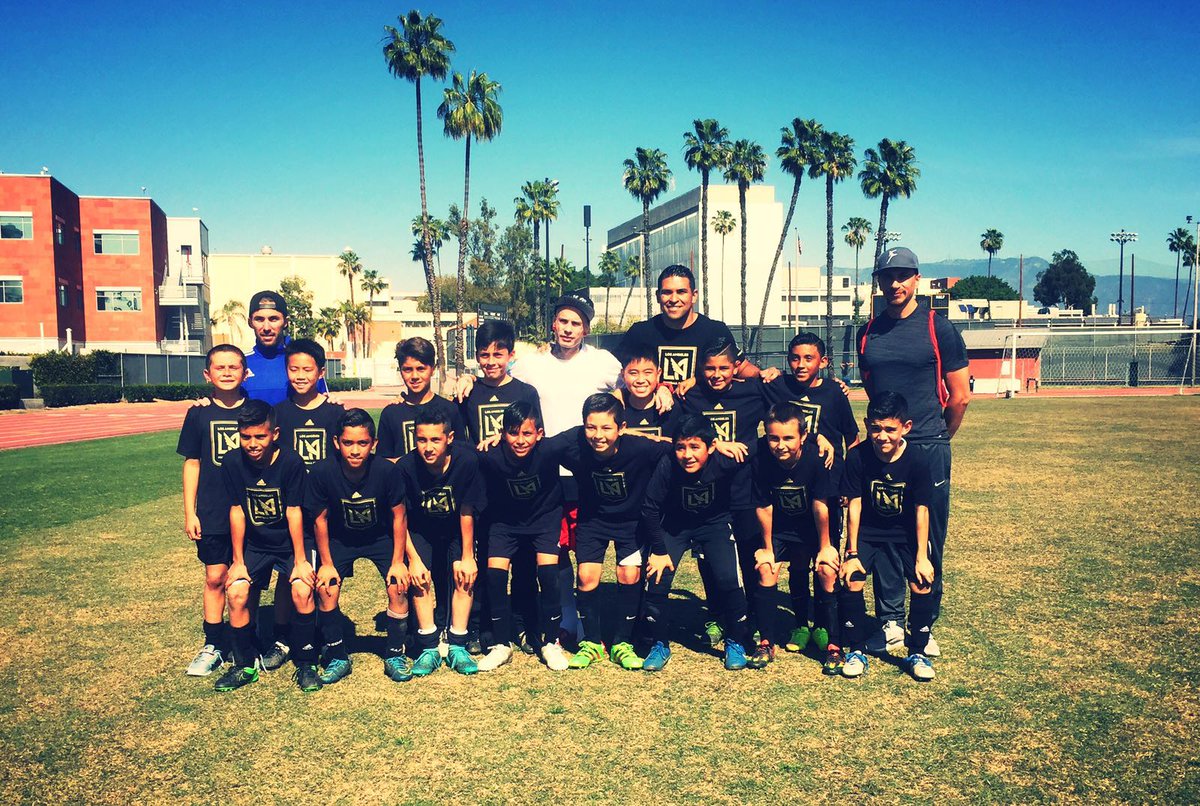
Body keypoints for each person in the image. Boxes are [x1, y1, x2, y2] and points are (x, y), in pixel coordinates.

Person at [457, 292, 622, 645]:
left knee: (588, 547)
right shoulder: (531, 364)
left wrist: (664, 391)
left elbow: (630, 388)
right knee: (556, 550)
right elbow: (495, 372)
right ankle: (564, 620)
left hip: (588, 470)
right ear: (553, 323)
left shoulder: (604, 361)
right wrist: (468, 378)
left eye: (576, 323)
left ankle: (596, 617)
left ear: (586, 329)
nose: (568, 329)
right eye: (563, 321)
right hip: (545, 474)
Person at [857, 246, 969, 655]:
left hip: (926, 446)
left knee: (927, 537)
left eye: (904, 275)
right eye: (888, 276)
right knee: (885, 537)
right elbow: (873, 391)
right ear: (880, 282)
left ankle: (923, 624)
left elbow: (960, 397)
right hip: (882, 447)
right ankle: (889, 623)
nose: (896, 283)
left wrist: (937, 438)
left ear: (917, 279)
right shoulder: (867, 332)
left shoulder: (938, 328)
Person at [556, 394, 671, 671]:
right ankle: (592, 644)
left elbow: (676, 449)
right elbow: (537, 445)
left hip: (631, 523)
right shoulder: (574, 446)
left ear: (621, 428)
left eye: (606, 428)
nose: (598, 435)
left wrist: (717, 445)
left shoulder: (640, 449)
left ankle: (622, 643)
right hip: (592, 521)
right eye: (591, 427)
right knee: (586, 577)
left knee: (629, 574)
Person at [762, 332, 859, 652]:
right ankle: (800, 624)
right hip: (791, 488)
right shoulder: (780, 386)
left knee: (824, 556)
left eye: (809, 358)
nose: (801, 365)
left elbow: (851, 438)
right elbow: (742, 373)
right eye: (795, 358)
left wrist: (848, 483)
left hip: (827, 488)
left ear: (823, 362)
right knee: (798, 562)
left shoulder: (834, 392)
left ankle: (824, 624)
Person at [214, 400, 316, 692]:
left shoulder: (292, 462)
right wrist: (238, 561)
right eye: (246, 436)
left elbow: (294, 511)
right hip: (257, 544)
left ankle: (306, 663)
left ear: (275, 434)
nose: (253, 443)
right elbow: (236, 510)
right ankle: (244, 665)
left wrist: (299, 560)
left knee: (301, 588)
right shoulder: (232, 463)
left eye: (260, 436)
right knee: (236, 591)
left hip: (291, 542)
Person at [307, 409, 413, 685]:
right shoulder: (322, 471)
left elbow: (399, 516)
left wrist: (399, 560)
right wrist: (327, 563)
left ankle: (394, 653)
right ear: (336, 442)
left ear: (374, 444)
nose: (355, 450)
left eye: (362, 443)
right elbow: (320, 520)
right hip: (340, 540)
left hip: (379, 538)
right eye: (348, 443)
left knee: (398, 584)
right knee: (326, 587)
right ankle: (338, 655)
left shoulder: (387, 471)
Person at [838, 391, 937, 681]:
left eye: (890, 429)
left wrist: (922, 557)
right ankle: (856, 650)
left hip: (905, 533)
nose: (882, 436)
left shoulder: (918, 459)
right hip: (869, 531)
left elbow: (922, 509)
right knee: (852, 579)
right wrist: (852, 553)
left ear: (906, 427)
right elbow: (854, 505)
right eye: (876, 428)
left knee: (921, 582)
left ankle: (917, 652)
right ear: (867, 424)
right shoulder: (857, 456)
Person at [640, 416, 751, 672]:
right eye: (681, 447)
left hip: (714, 525)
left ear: (711, 447)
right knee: (657, 580)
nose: (687, 455)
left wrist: (815, 437)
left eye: (694, 447)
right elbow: (650, 508)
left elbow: (766, 444)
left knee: (728, 580)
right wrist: (658, 550)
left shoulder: (725, 460)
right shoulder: (668, 464)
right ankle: (659, 643)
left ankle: (734, 640)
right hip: (675, 526)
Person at [676, 335, 767, 647]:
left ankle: (752, 616)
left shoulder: (754, 392)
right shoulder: (692, 396)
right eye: (710, 368)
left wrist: (748, 448)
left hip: (744, 491)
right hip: (708, 493)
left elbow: (783, 421)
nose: (717, 374)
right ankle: (715, 614)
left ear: (736, 367)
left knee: (748, 554)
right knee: (711, 559)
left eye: (724, 368)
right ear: (701, 369)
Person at [459, 319, 540, 655]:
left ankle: (521, 624)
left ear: (511, 353)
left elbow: (537, 437)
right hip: (483, 492)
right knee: (485, 563)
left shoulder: (525, 392)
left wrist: (504, 444)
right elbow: (460, 441)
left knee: (523, 564)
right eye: (483, 355)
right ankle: (483, 626)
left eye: (498, 354)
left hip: (519, 492)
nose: (490, 361)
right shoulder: (468, 392)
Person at [474, 401, 571, 672]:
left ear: (539, 433)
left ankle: (551, 642)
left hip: (544, 520)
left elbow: (583, 433)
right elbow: (458, 451)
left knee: (548, 573)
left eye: (527, 434)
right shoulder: (491, 455)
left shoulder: (550, 449)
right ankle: (501, 644)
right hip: (505, 522)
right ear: (503, 433)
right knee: (494, 575)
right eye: (513, 433)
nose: (520, 440)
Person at [751, 403, 842, 673]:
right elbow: (763, 506)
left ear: (803, 436)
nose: (780, 445)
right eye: (774, 438)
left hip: (814, 526)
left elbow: (820, 505)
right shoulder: (760, 458)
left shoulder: (816, 458)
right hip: (782, 525)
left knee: (825, 570)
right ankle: (772, 639)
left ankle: (832, 643)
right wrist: (767, 548)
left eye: (788, 438)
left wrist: (826, 546)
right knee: (767, 569)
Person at [393, 408, 483, 676]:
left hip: (455, 527)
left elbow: (467, 509)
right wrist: (413, 559)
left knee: (464, 575)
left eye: (435, 440)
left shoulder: (466, 461)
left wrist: (468, 555)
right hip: (420, 529)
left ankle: (458, 644)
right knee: (419, 577)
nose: (428, 447)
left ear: (450, 438)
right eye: (422, 440)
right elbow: (401, 517)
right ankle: (429, 646)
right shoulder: (406, 467)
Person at [177, 344, 248, 676]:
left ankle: (246, 640)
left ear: (245, 372)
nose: (227, 372)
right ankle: (214, 644)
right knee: (215, 576)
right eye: (220, 367)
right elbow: (192, 463)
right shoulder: (199, 413)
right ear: (208, 374)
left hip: (251, 509)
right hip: (213, 510)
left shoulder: (259, 410)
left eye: (234, 366)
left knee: (248, 578)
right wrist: (190, 512)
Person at [618, 265, 760, 392]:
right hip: (656, 418)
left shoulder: (715, 330)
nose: (673, 299)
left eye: (681, 292)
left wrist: (768, 375)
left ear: (694, 295)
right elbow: (616, 371)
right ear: (657, 296)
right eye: (667, 292)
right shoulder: (640, 332)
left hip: (700, 416)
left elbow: (741, 368)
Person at [377, 337, 467, 460]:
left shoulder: (450, 409)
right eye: (408, 369)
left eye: (421, 369)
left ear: (433, 370)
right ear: (401, 371)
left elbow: (461, 455)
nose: (414, 376)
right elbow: (383, 463)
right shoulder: (391, 414)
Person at [242, 290, 328, 406]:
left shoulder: (305, 359)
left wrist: (332, 401)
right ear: (250, 323)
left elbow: (322, 403)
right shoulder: (240, 363)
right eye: (259, 319)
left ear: (286, 322)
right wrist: (208, 402)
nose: (266, 327)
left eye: (273, 319)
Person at [274, 339, 344, 468]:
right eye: (294, 369)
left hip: (324, 486)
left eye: (307, 370)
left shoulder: (336, 411)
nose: (300, 376)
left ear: (321, 373)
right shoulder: (279, 412)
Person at [612, 349, 677, 438]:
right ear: (623, 375)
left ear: (658, 374)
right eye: (633, 373)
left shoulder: (670, 406)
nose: (641, 380)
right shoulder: (616, 409)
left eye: (648, 373)